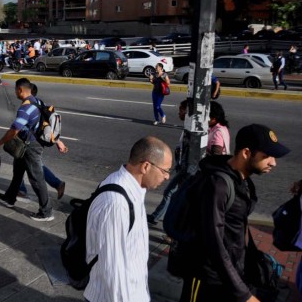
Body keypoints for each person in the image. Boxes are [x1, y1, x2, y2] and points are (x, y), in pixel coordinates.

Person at [179, 124, 290, 302]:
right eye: (267, 156)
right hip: (207, 280)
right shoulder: (218, 185)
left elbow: (236, 231)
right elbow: (214, 243)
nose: (273, 162)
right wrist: (243, 294)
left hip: (229, 277)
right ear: (246, 153)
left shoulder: (243, 181)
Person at [84, 136, 173, 302]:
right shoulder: (116, 204)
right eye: (165, 170)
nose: (167, 177)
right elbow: (114, 271)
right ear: (146, 166)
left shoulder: (132, 189)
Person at [0, 78, 53, 222]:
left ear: (20, 90)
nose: (14, 92)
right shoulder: (38, 102)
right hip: (28, 144)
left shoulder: (25, 108)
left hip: (30, 146)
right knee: (18, 172)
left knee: (37, 179)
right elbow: (46, 122)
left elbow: (14, 130)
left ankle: (46, 212)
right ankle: (9, 198)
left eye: (15, 90)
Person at [17, 84, 68, 201]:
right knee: (21, 164)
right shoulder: (40, 103)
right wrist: (58, 142)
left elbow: (19, 126)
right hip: (37, 141)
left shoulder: (28, 106)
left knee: (35, 168)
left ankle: (47, 201)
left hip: (30, 143)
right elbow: (48, 125)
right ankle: (19, 190)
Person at [148, 99, 189, 225]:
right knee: (172, 193)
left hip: (184, 169)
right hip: (181, 167)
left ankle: (167, 221)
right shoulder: (188, 126)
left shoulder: (192, 128)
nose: (178, 113)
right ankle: (157, 217)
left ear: (187, 111)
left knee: (172, 194)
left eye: (181, 110)